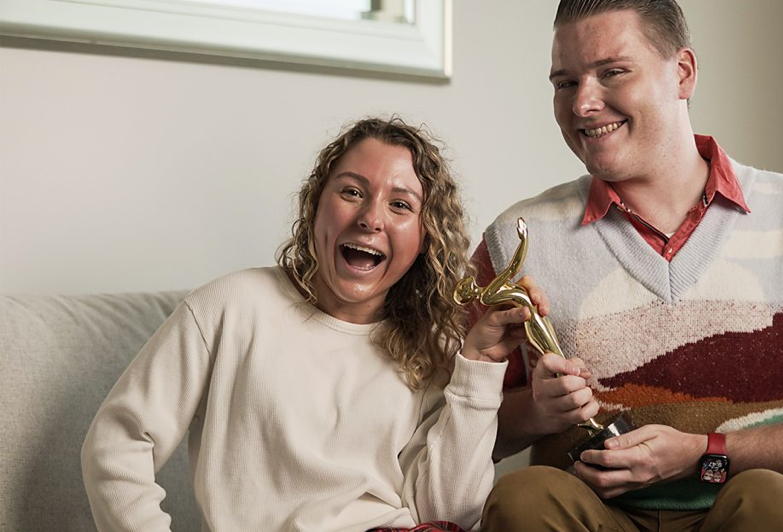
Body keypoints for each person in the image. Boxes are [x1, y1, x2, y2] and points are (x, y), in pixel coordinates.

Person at [473, 0, 783, 532]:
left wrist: (707, 453)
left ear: (682, 73)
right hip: (597, 516)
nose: (583, 103)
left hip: (762, 513)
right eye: (565, 83)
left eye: (612, 72)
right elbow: (450, 435)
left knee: (765, 502)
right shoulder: (517, 241)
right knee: (524, 498)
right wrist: (535, 412)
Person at [81, 117, 546, 532]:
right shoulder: (232, 308)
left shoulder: (436, 346)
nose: (370, 218)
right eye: (352, 192)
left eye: (400, 205)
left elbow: (449, 514)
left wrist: (480, 366)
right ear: (316, 205)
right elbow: (116, 445)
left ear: (425, 239)